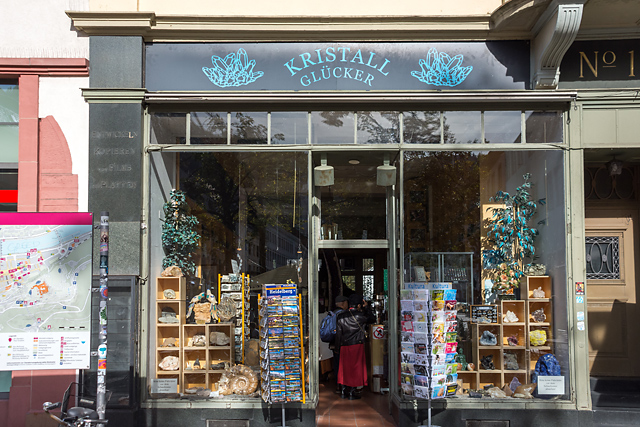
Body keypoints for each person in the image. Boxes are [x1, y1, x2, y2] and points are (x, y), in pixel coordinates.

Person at [335, 293, 375, 400]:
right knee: (355, 368)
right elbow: (372, 319)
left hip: (344, 345)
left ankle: (344, 389)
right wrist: (367, 307)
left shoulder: (340, 316)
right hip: (357, 344)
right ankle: (352, 391)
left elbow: (338, 334)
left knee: (345, 368)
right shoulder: (360, 316)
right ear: (359, 305)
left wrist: (337, 348)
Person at [329, 295, 349, 393]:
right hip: (342, 343)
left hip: (334, 343)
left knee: (337, 364)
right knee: (344, 365)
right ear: (343, 303)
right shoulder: (344, 314)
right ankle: (344, 385)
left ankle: (338, 385)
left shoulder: (332, 313)